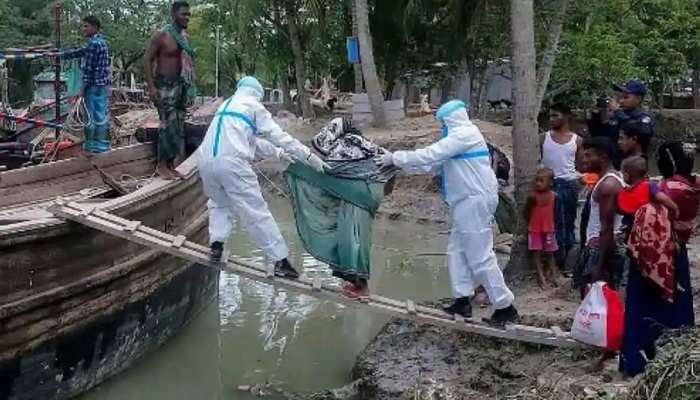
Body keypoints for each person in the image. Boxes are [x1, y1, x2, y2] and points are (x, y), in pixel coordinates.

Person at [375, 100, 518, 324]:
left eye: (442, 122)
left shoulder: (465, 134)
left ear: (450, 120)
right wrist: (397, 163)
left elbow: (430, 154)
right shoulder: (458, 139)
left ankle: (505, 306)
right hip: (465, 202)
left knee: (480, 256)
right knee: (456, 250)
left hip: (474, 201)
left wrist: (395, 157)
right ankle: (462, 301)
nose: (441, 126)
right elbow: (429, 165)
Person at [197, 76, 328, 278]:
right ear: (257, 94)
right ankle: (280, 261)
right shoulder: (253, 106)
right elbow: (279, 136)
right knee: (256, 211)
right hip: (233, 163)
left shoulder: (227, 105)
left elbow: (250, 141)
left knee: (219, 203)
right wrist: (309, 156)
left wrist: (278, 154)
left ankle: (216, 246)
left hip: (205, 161)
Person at [620, 142, 697, 377]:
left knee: (644, 306)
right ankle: (677, 362)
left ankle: (639, 362)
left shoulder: (662, 188)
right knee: (677, 304)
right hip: (678, 252)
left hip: (652, 255)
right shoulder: (693, 185)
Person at [145, 1, 196, 180]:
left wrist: (190, 87)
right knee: (167, 125)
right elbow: (148, 59)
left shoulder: (184, 38)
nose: (187, 17)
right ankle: (161, 165)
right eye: (184, 14)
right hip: (163, 85)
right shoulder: (162, 35)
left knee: (178, 125)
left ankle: (170, 164)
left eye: (189, 14)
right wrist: (151, 86)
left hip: (180, 85)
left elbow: (188, 64)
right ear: (174, 14)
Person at [573, 137, 625, 299]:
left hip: (600, 248)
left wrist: (599, 265)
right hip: (597, 245)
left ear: (603, 158)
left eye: (589, 156)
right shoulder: (606, 180)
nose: (584, 159)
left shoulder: (608, 185)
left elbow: (607, 226)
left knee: (596, 301)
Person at [61, 16, 111, 154]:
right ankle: (102, 145)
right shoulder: (101, 42)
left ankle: (92, 146)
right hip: (103, 85)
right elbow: (82, 52)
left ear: (94, 27)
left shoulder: (94, 44)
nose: (84, 29)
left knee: (90, 116)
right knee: (101, 115)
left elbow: (88, 70)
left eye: (86, 26)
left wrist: (82, 89)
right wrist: (63, 55)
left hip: (93, 86)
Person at [541, 103, 582, 270]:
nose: (552, 119)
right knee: (551, 223)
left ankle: (567, 259)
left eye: (555, 115)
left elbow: (580, 165)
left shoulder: (576, 140)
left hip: (569, 184)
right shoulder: (543, 138)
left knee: (568, 220)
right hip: (549, 184)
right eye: (550, 116)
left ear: (566, 116)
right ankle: (553, 257)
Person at [588, 80, 655, 167]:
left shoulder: (644, 118)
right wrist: (596, 115)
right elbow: (600, 136)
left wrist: (618, 112)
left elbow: (642, 132)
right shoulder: (617, 116)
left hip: (633, 165)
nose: (621, 101)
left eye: (626, 97)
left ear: (638, 99)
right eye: (620, 97)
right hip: (613, 163)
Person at [617, 156, 678, 239]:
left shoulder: (626, 191)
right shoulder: (650, 186)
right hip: (648, 228)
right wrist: (674, 209)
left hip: (631, 228)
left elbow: (620, 209)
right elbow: (664, 199)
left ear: (627, 176)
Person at [524, 168, 559, 289]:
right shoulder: (533, 197)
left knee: (550, 253)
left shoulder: (554, 196)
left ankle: (553, 275)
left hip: (549, 229)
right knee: (537, 253)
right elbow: (527, 212)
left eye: (541, 181)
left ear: (550, 183)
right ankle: (541, 277)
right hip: (535, 229)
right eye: (536, 180)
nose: (538, 183)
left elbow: (556, 213)